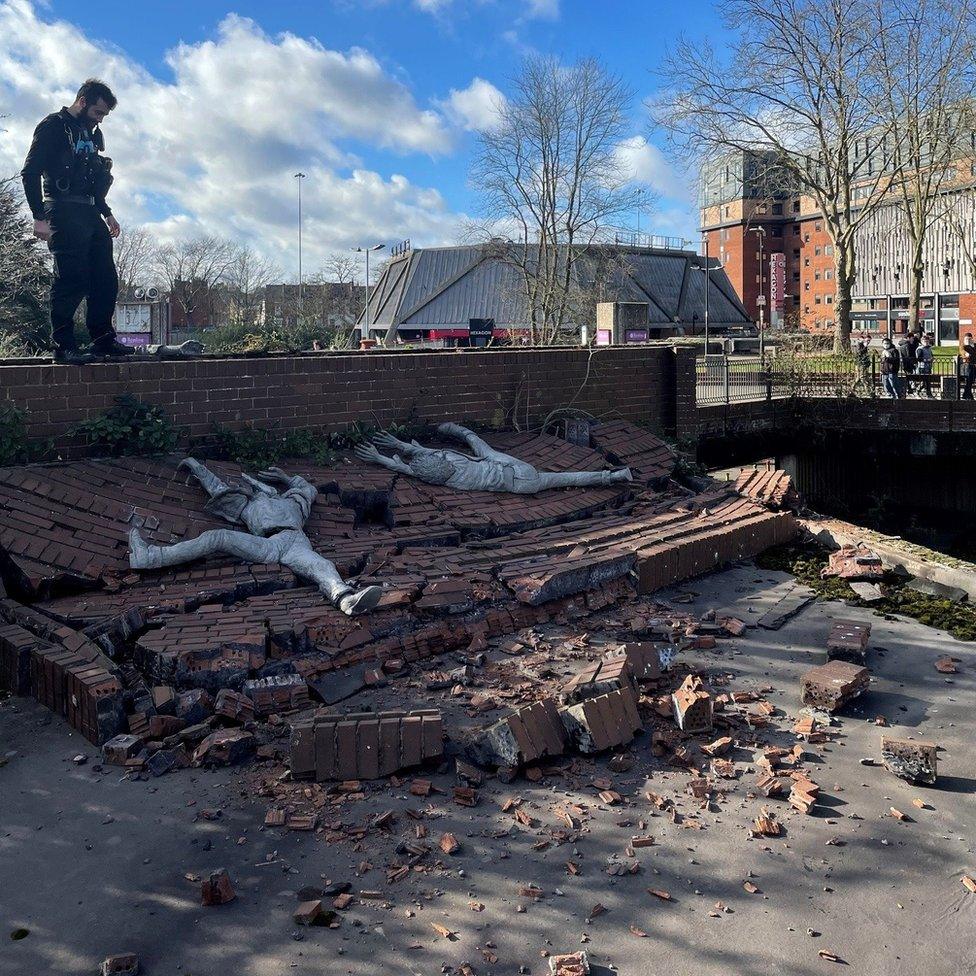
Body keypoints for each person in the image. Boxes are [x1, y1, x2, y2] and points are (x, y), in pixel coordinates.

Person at [21, 79, 132, 365]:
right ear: (82, 101)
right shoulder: (53, 126)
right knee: (71, 278)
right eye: (98, 112)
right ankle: (63, 345)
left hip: (89, 211)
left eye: (104, 115)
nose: (100, 119)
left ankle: (103, 340)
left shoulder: (91, 134)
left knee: (105, 278)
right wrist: (39, 216)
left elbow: (94, 180)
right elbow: (30, 172)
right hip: (61, 208)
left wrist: (106, 213)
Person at [916, 333, 935, 398]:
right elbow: (919, 358)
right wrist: (927, 360)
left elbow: (931, 355)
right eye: (925, 341)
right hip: (922, 367)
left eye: (927, 341)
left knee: (928, 381)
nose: (926, 342)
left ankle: (929, 394)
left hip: (928, 367)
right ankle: (917, 391)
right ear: (922, 342)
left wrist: (932, 358)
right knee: (923, 382)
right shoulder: (920, 349)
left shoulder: (929, 348)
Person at [962, 333, 976, 401]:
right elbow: (965, 355)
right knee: (968, 381)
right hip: (967, 366)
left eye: (969, 339)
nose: (968, 340)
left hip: (973, 365)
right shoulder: (964, 347)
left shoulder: (974, 345)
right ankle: (968, 395)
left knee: (971, 381)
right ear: (964, 339)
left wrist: (972, 346)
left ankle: (965, 395)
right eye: (967, 339)